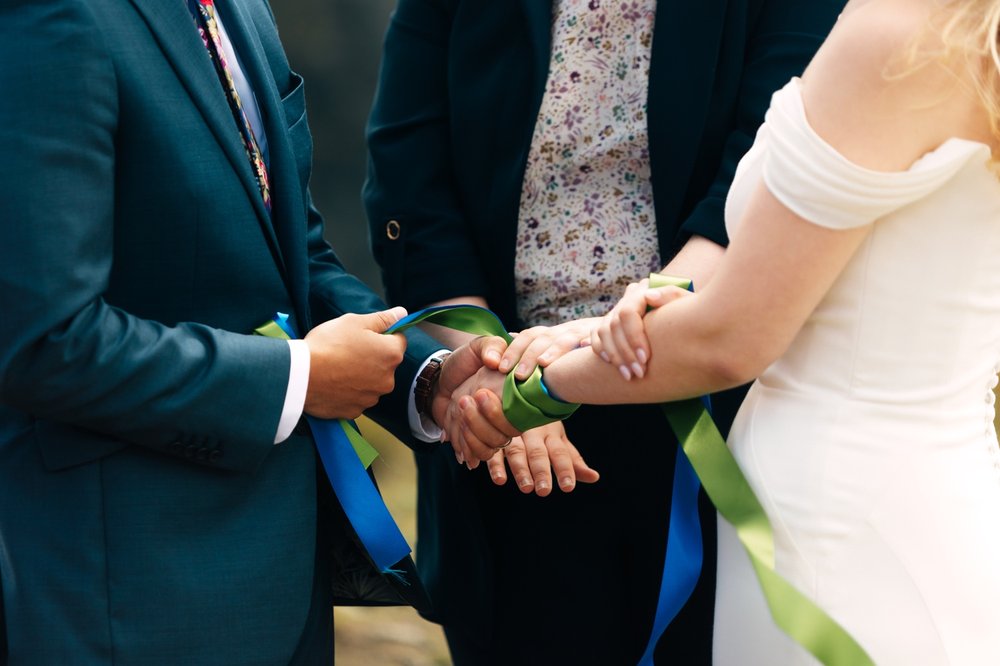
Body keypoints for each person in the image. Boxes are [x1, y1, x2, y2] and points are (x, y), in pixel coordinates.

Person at [466, 0, 1000, 661]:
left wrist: (534, 387)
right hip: (944, 493)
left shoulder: (893, 34)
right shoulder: (971, 31)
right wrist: (593, 331)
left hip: (833, 525)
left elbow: (730, 339)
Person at [0, 0, 515, 663]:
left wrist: (427, 374)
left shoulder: (240, 9)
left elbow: (291, 261)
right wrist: (298, 379)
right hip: (127, 598)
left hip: (280, 580)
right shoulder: (49, 17)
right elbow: (46, 342)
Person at [363, 0, 843, 663]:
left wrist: (609, 342)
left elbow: (769, 174)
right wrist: (488, 370)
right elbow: (411, 175)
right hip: (504, 428)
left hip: (715, 413)